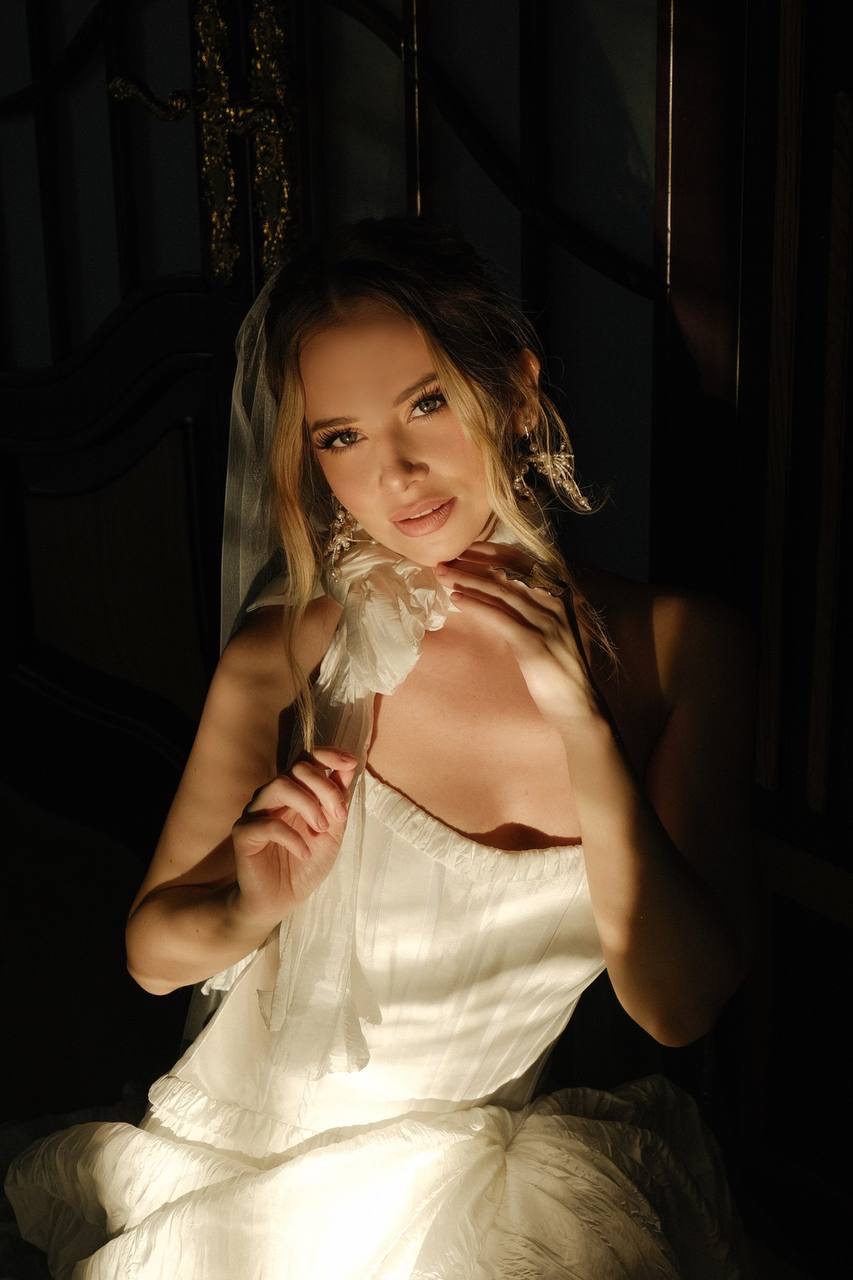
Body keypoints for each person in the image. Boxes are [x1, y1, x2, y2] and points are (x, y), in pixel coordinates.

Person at [4, 215, 757, 1278]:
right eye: (340, 437)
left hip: (486, 1193)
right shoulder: (292, 653)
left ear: (516, 389)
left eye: (426, 403)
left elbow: (677, 1007)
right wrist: (250, 905)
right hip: (256, 1181)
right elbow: (153, 954)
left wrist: (581, 727)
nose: (396, 471)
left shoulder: (681, 649)